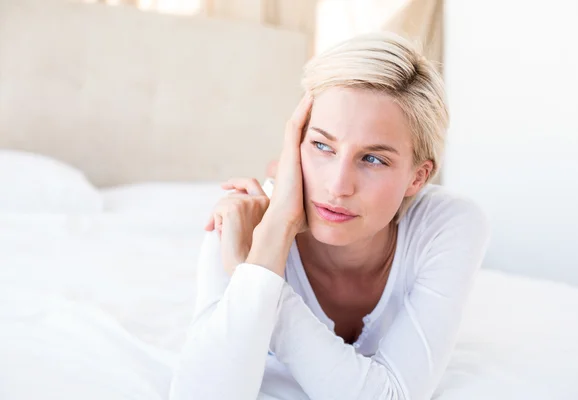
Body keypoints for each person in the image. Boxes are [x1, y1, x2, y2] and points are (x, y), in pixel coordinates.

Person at [169, 32, 491, 400]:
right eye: (322, 145)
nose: (338, 186)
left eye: (373, 159)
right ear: (294, 144)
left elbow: (392, 395)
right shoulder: (242, 225)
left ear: (418, 176)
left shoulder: (449, 225)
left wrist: (259, 283)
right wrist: (269, 244)